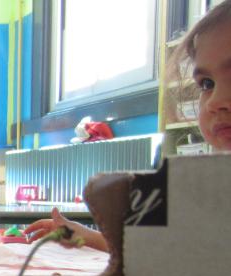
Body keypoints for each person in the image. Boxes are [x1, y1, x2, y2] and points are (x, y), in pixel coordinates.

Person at [26, 3, 231, 251]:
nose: (216, 102)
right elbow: (144, 249)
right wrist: (79, 233)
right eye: (207, 84)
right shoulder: (190, 187)